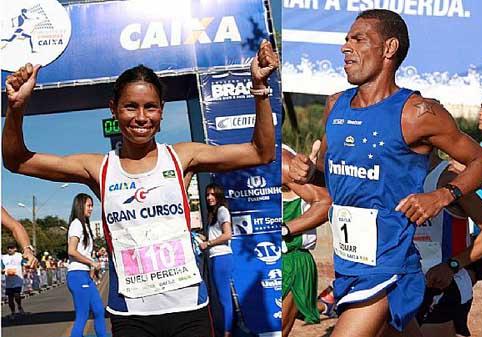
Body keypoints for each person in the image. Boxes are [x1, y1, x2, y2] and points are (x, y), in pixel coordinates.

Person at [2, 39, 278, 337]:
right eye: (130, 107)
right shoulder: (98, 168)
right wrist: (16, 109)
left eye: (150, 107)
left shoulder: (182, 157)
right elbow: (17, 161)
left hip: (189, 310)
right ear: (114, 110)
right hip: (131, 314)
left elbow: (260, 152)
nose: (141, 117)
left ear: (162, 110)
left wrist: (260, 89)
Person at [288, 9, 482, 337]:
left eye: (358, 40)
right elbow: (329, 179)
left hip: (386, 267)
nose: (345, 47)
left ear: (389, 48)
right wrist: (310, 173)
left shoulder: (417, 113)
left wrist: (442, 195)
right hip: (348, 266)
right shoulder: (335, 106)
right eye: (345, 40)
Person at [415, 151, 482, 337]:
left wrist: (452, 265)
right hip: (407, 283)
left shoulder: (448, 179)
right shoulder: (396, 177)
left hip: (442, 287)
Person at [450, 82, 482, 285]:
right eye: (481, 106)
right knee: (457, 285)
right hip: (480, 235)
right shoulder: (480, 148)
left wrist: (470, 174)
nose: (481, 112)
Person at [281, 143, 331, 337]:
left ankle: (328, 302)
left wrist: (284, 229)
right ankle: (327, 304)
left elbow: (325, 201)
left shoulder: (285, 160)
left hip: (292, 259)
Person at [66, 193, 106, 337]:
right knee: (82, 315)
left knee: (99, 310)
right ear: (80, 205)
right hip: (77, 276)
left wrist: (93, 263)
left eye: (92, 206)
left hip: (84, 275)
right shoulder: (76, 224)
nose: (91, 209)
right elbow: (71, 250)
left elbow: (84, 252)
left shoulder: (85, 225)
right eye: (88, 205)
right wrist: (92, 262)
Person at [200, 183, 234, 337]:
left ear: (219, 195)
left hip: (222, 257)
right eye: (207, 195)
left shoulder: (222, 210)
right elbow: (216, 235)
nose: (209, 198)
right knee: (220, 297)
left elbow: (228, 234)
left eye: (213, 194)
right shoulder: (214, 213)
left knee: (224, 297)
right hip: (215, 257)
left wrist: (208, 243)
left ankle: (227, 332)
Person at [2, 242, 26, 319]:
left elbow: (24, 264)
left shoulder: (19, 256)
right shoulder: (4, 257)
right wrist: (2, 271)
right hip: (8, 280)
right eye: (8, 248)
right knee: (10, 298)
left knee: (17, 295)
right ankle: (13, 312)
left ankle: (19, 306)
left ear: (15, 249)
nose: (9, 249)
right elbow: (2, 267)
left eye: (11, 248)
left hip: (17, 279)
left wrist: (25, 270)